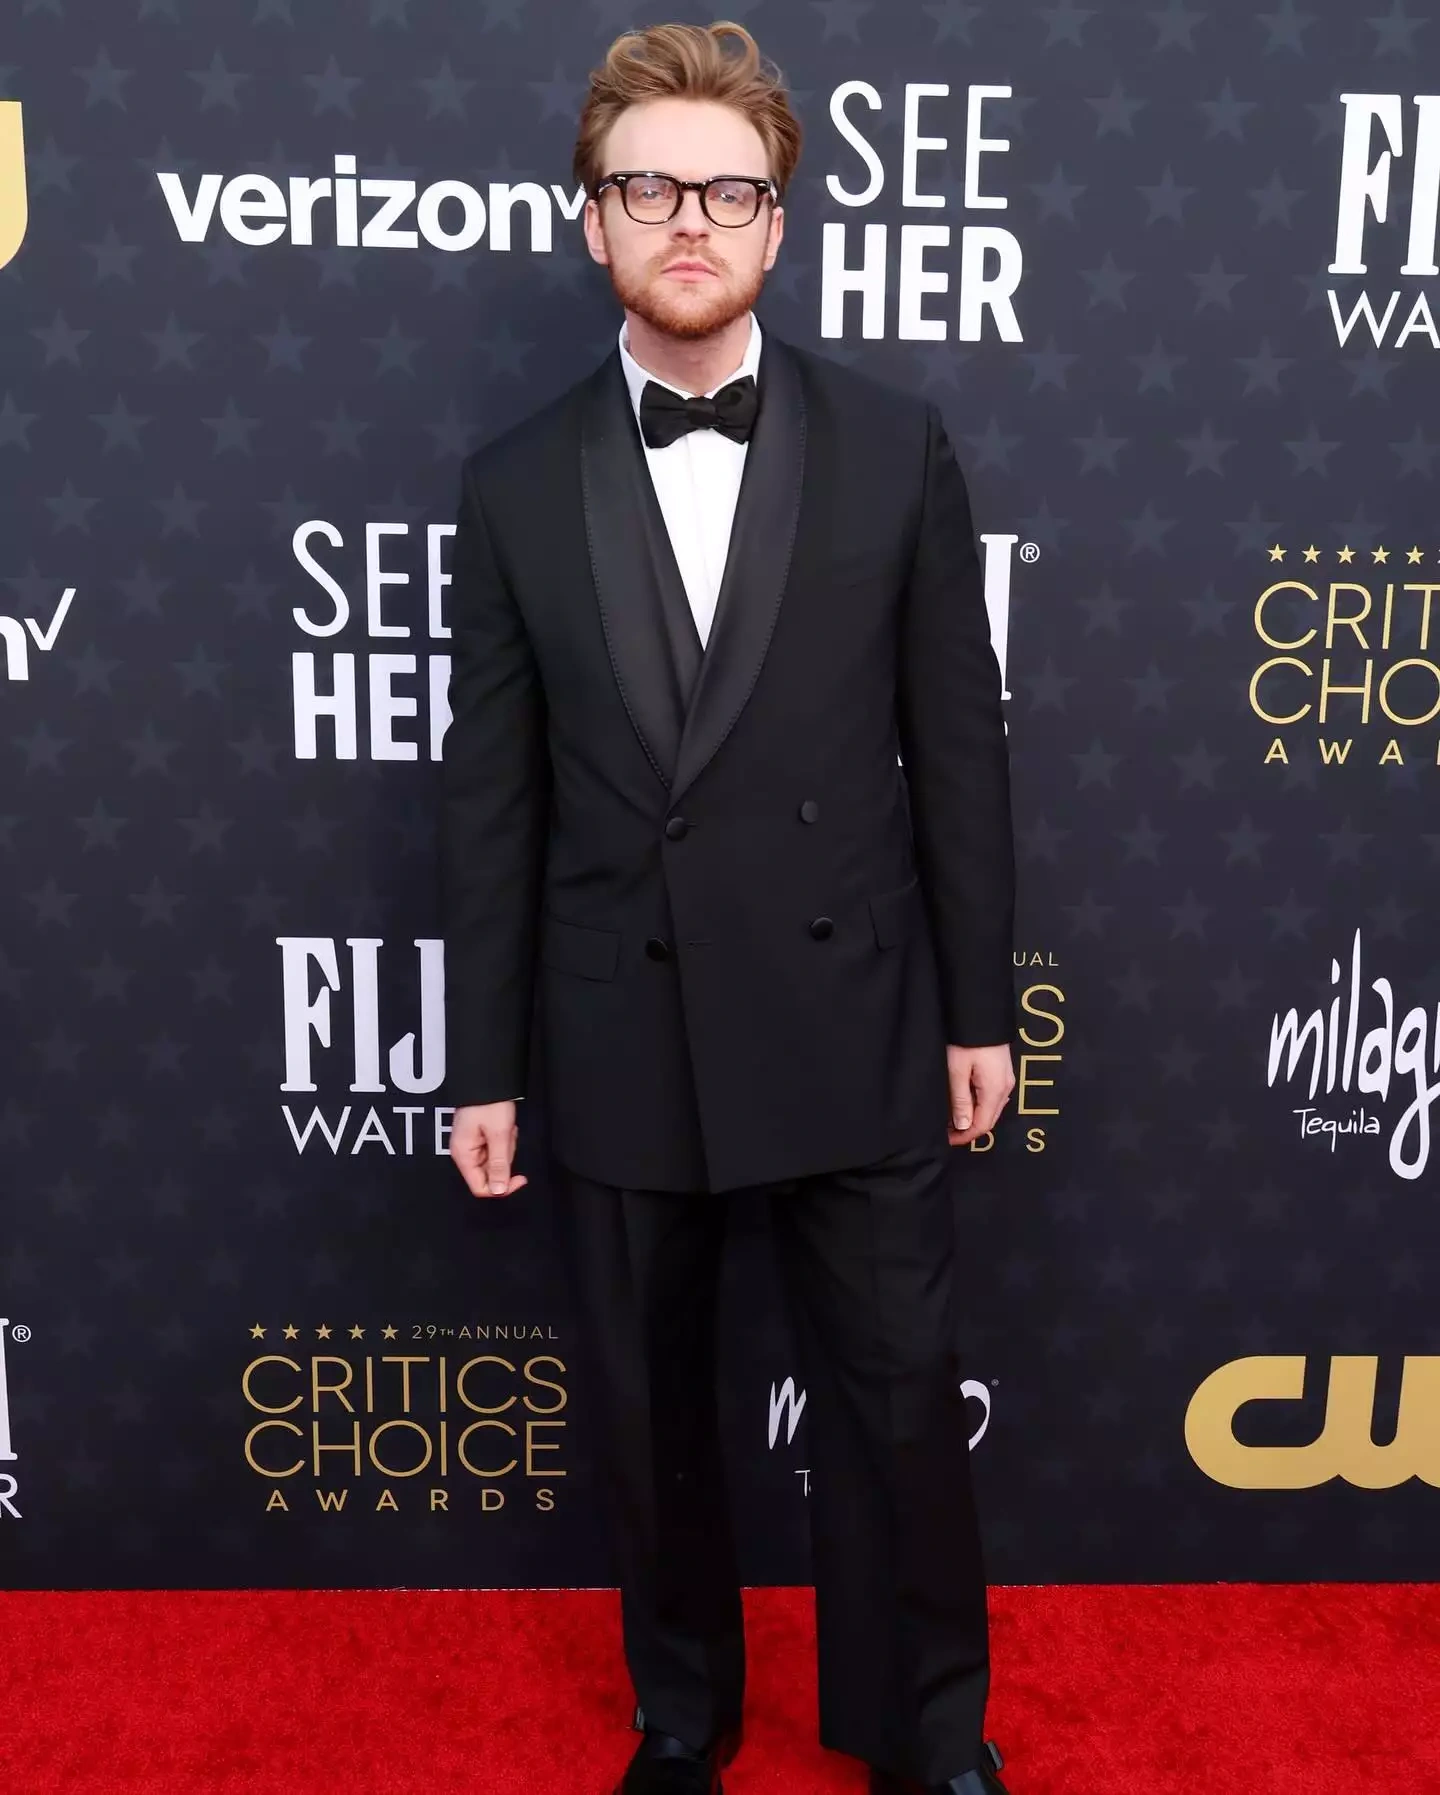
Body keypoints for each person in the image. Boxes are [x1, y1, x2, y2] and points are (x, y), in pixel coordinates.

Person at [438, 21, 1018, 1795]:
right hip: (619, 1009)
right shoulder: (512, 483)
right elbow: (493, 796)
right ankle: (681, 1713)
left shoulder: (897, 446)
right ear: (592, 220)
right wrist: (484, 1062)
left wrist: (978, 1008)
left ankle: (928, 1729)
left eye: (728, 191)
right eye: (650, 187)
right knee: (645, 1407)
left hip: (856, 1006)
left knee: (899, 1394)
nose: (689, 219)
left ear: (778, 224)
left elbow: (959, 747)